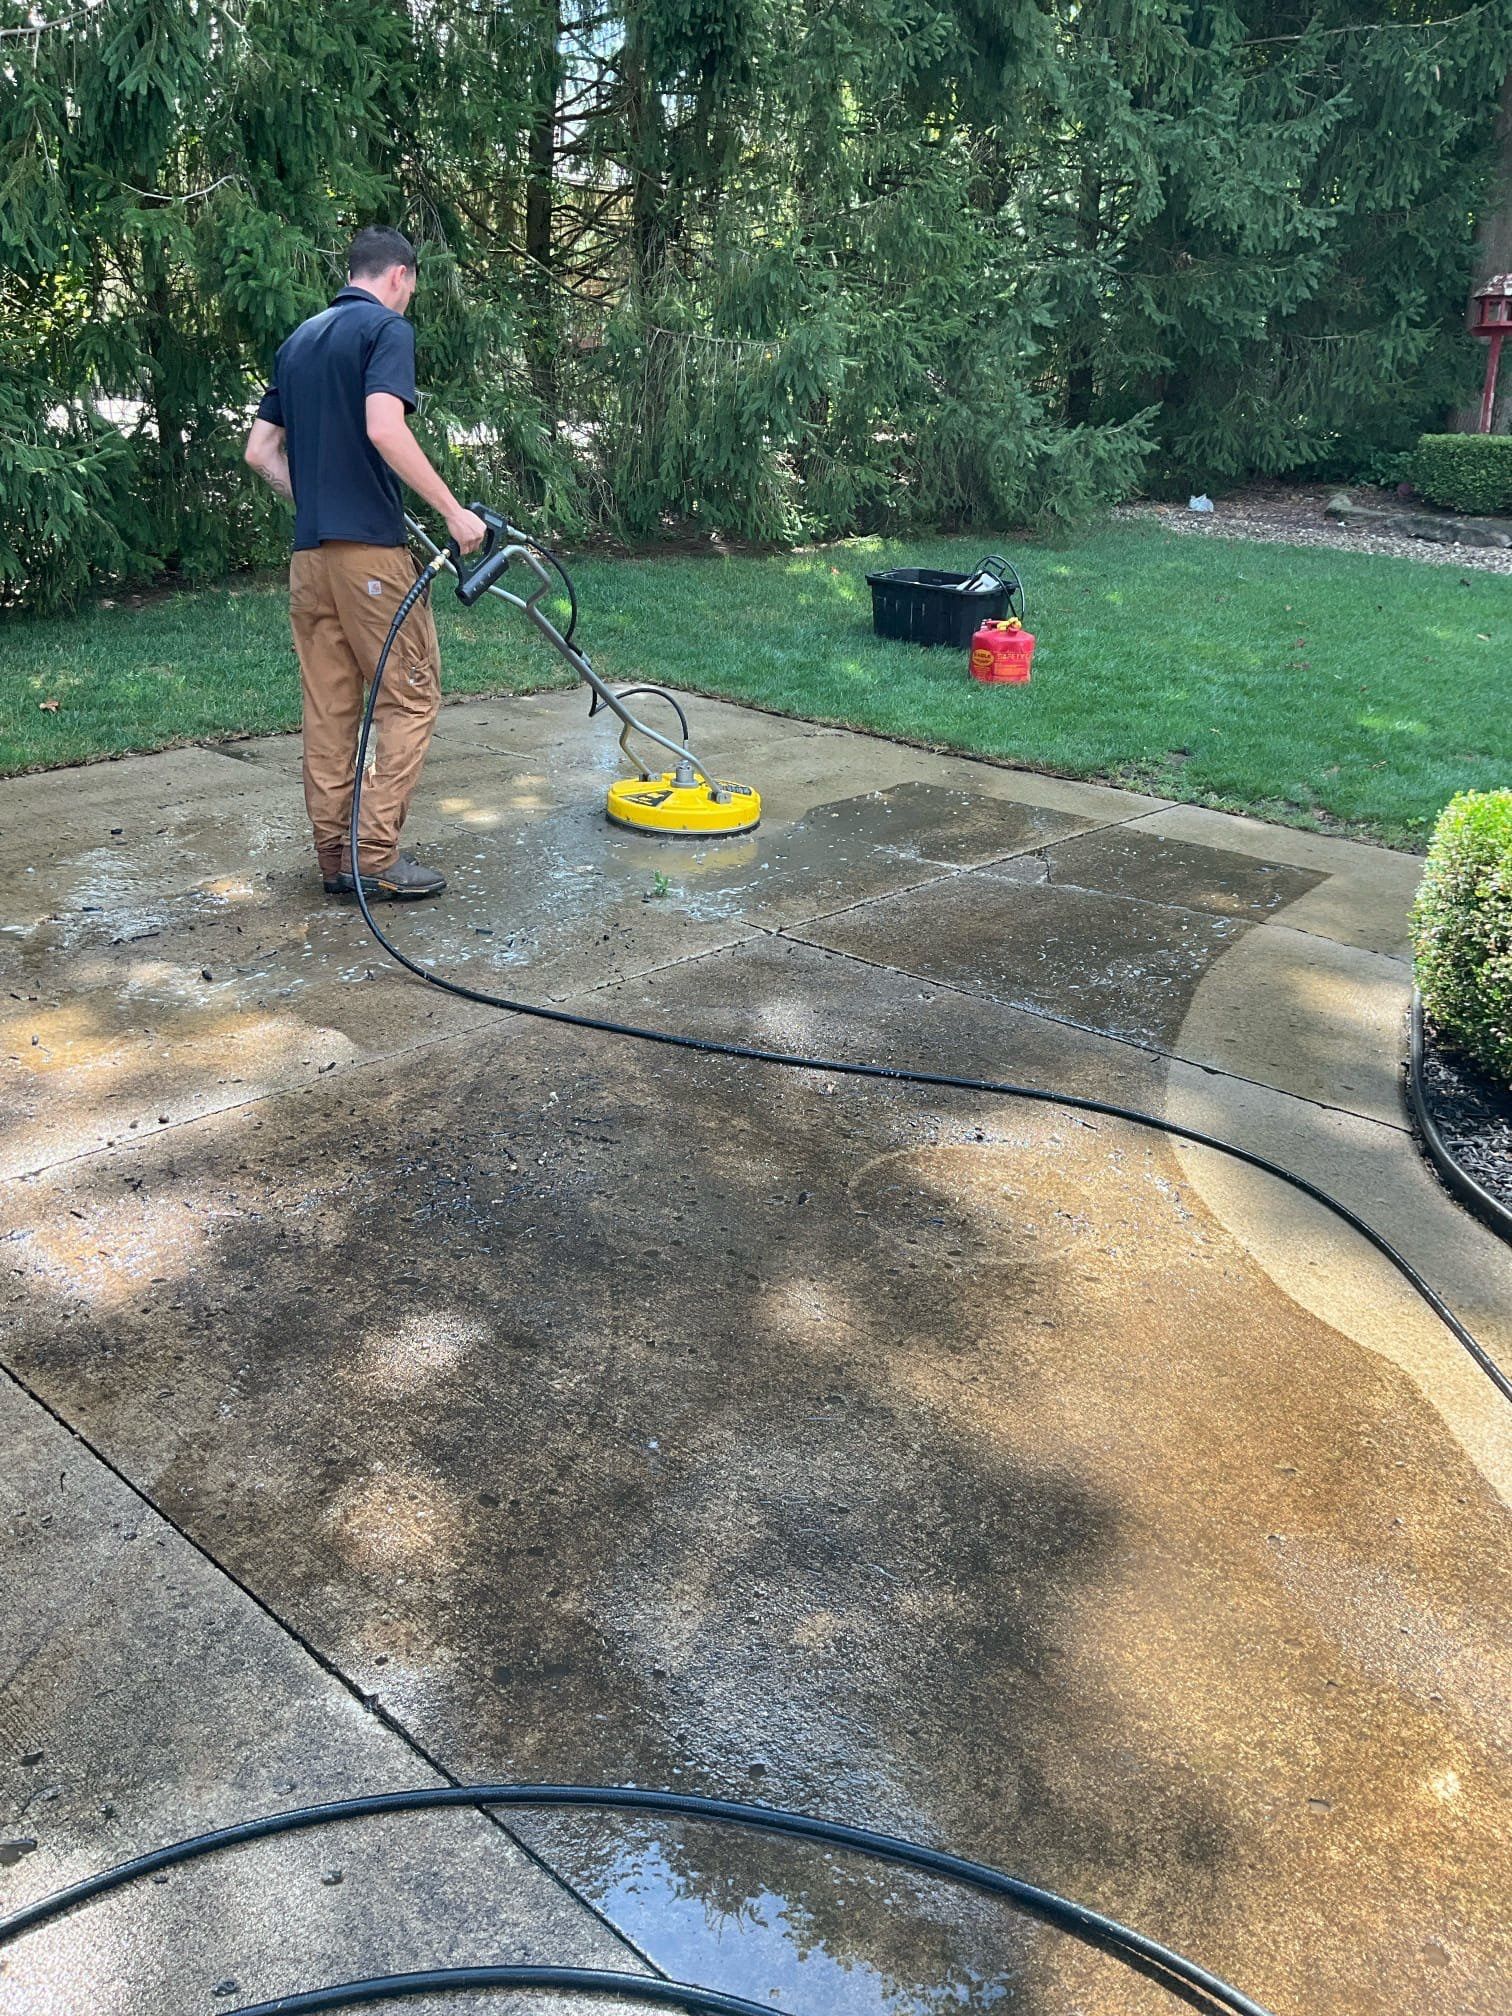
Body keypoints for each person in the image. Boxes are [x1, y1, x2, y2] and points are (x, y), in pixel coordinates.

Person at [243, 226, 487, 900]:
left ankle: (334, 857)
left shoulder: (299, 341)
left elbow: (260, 452)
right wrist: (451, 511)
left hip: (310, 559)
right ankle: (374, 857)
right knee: (411, 697)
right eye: (412, 286)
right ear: (400, 275)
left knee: (330, 707)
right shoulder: (385, 331)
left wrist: (317, 497)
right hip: (370, 562)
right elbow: (385, 427)